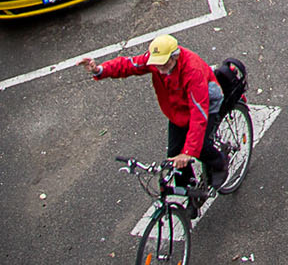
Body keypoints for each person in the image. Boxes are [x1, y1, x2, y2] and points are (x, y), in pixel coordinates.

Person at [82, 34, 228, 192]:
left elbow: (199, 114)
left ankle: (220, 164)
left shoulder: (193, 70)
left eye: (164, 65)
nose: (160, 69)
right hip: (178, 109)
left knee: (199, 147)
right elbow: (129, 65)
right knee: (173, 156)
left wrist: (188, 153)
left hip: (204, 104)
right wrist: (99, 70)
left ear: (175, 56)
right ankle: (188, 191)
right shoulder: (157, 61)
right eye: (157, 65)